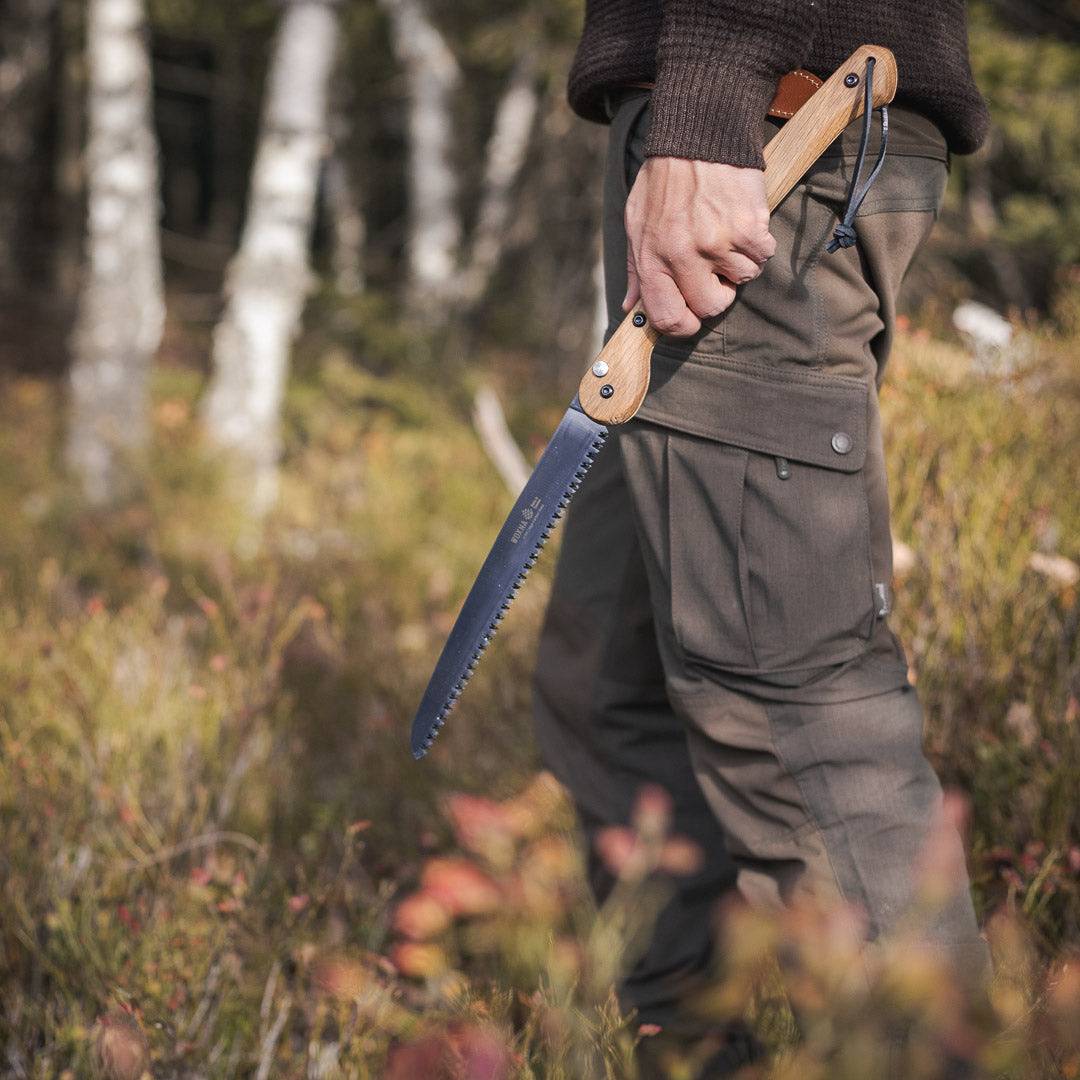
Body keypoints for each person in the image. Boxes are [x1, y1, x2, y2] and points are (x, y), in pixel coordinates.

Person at [533, 1, 992, 1073]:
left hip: (753, 126)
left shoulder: (722, 92)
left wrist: (709, 91)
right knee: (610, 680)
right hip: (730, 114)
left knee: (792, 709)